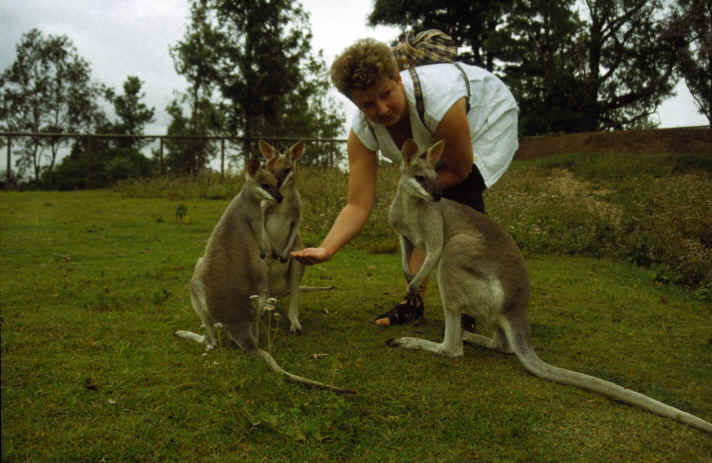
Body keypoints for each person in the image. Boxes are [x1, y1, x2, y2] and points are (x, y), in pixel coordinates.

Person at [291, 37, 519, 327]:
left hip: (486, 116)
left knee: (459, 197)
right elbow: (357, 203)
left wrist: (410, 197)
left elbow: (460, 170)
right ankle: (414, 301)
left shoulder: (440, 101)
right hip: (432, 137)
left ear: (398, 78)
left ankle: (476, 302)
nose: (382, 109)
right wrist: (327, 249)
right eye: (368, 104)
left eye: (386, 94)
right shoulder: (363, 131)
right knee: (417, 206)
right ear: (355, 103)